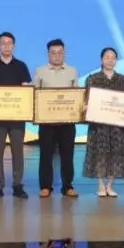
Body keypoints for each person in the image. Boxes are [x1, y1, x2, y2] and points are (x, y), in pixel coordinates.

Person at [0, 32, 33, 200]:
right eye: (3, 43)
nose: (6, 46)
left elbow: (25, 91)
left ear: (13, 45)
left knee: (18, 152)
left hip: (17, 118)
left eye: (9, 43)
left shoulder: (21, 66)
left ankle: (18, 185)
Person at [83, 47, 124, 198]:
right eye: (107, 57)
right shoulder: (92, 79)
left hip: (117, 126)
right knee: (99, 153)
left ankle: (110, 185)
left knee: (116, 154)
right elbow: (86, 99)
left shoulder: (123, 79)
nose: (110, 60)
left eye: (113, 57)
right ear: (101, 60)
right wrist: (86, 107)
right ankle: (100, 185)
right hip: (98, 125)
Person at [33, 39, 79, 198]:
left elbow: (76, 95)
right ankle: (45, 186)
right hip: (47, 123)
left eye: (60, 53)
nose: (57, 55)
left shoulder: (72, 71)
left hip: (67, 122)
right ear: (48, 54)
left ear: (64, 53)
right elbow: (35, 95)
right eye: (53, 53)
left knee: (68, 155)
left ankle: (68, 186)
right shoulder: (40, 71)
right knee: (46, 155)